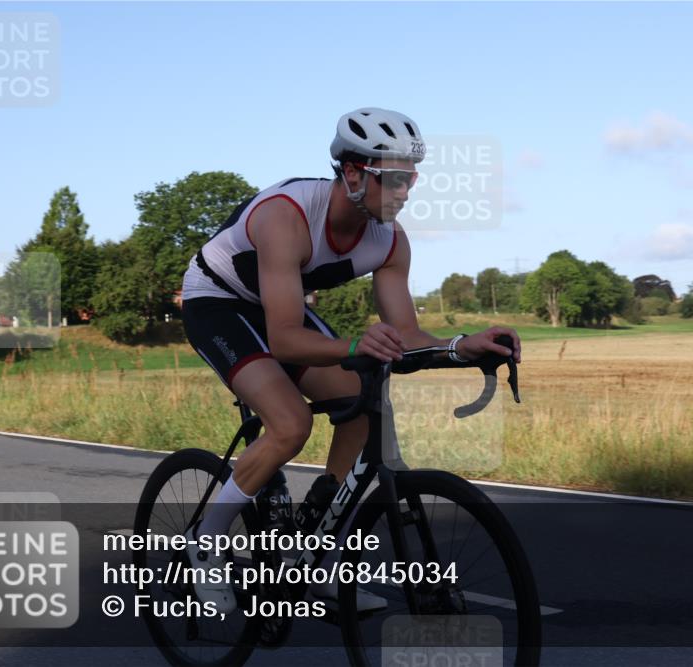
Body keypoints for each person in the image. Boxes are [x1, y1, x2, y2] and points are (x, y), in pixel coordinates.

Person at [179, 107, 522, 613]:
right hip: (218, 302)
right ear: (355, 174)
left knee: (362, 409)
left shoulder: (390, 240)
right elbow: (287, 342)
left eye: (412, 179)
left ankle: (312, 554)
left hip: (281, 309)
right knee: (290, 424)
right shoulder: (287, 216)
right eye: (396, 179)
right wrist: (357, 346)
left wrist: (461, 346)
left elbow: (405, 336)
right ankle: (203, 547)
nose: (407, 191)